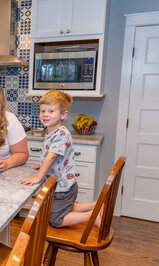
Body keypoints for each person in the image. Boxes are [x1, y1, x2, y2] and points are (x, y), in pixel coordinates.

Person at [19, 90, 99, 228]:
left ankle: (92, 215)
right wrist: (43, 166)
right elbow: (51, 157)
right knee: (64, 208)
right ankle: (96, 206)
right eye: (43, 110)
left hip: (62, 187)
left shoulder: (61, 134)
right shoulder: (52, 132)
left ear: (63, 114)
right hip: (62, 184)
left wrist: (38, 177)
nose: (45, 114)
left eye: (51, 111)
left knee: (55, 219)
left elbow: (51, 156)